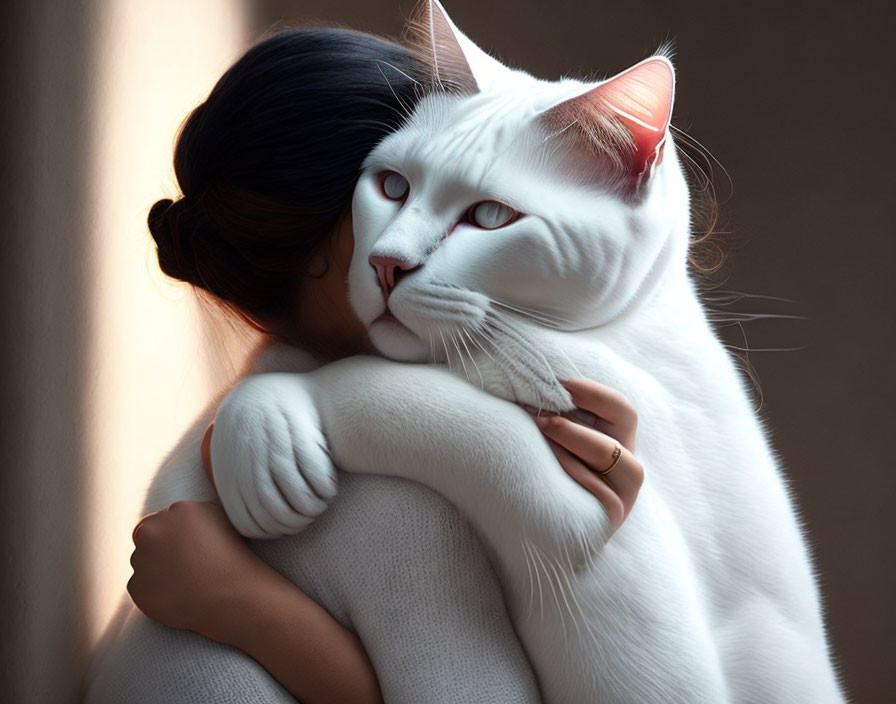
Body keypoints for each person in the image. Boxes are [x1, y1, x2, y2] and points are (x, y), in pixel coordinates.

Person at [85, 26, 643, 704]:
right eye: (397, 189)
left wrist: (572, 538)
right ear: (325, 243)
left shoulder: (301, 406)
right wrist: (244, 603)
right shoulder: (375, 475)